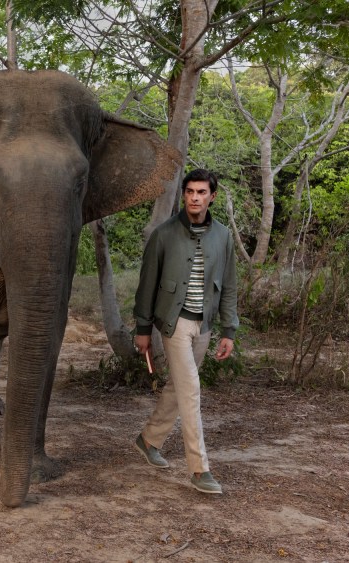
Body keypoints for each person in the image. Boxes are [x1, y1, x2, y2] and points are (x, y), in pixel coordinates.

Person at [132, 169, 238, 494]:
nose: (195, 197)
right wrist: (142, 327)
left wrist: (229, 330)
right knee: (191, 389)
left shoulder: (223, 236)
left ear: (212, 197)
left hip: (203, 324)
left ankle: (148, 439)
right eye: (190, 191)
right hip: (173, 322)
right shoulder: (164, 235)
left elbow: (229, 285)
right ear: (184, 195)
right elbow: (147, 284)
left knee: (178, 387)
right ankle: (199, 469)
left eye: (201, 192)